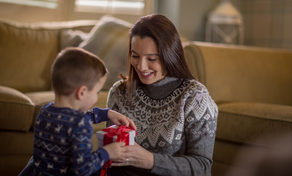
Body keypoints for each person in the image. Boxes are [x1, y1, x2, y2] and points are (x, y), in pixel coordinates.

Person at [106, 14, 218, 176]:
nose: (141, 66)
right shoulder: (119, 92)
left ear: (170, 56)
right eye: (135, 56)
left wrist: (150, 160)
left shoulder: (195, 97)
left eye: (152, 59)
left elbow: (202, 167)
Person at [18, 47, 136, 176]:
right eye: (96, 92)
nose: (97, 97)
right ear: (82, 92)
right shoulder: (80, 124)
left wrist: (106, 113)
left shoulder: (45, 111)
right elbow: (82, 169)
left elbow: (69, 121)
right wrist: (107, 152)